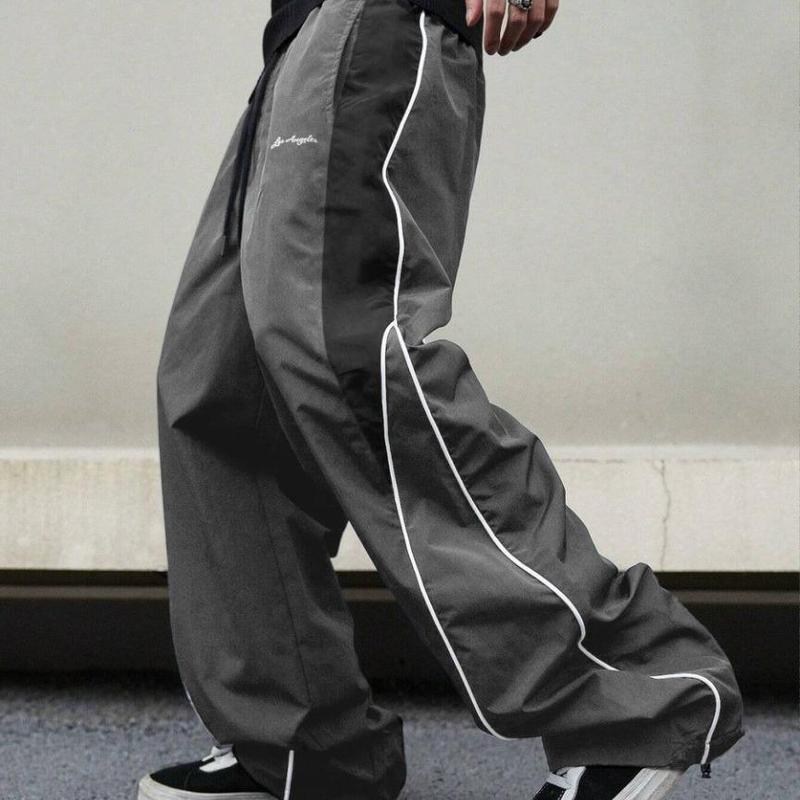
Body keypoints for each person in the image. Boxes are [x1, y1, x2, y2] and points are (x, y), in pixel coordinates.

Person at [141, 0, 744, 798]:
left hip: (374, 16)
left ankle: (633, 700)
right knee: (220, 386)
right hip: (297, 38)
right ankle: (296, 748)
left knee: (349, 352)